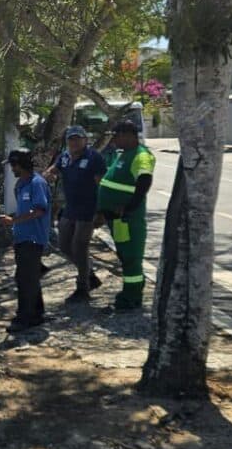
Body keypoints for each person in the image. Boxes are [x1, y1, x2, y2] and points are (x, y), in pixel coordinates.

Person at [96, 121, 155, 310]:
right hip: (117, 220)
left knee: (131, 257)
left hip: (129, 219)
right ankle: (129, 291)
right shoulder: (124, 155)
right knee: (124, 255)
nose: (114, 139)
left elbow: (144, 180)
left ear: (129, 134)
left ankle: (132, 297)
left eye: (116, 135)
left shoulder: (141, 155)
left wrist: (129, 207)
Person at [44, 126, 106, 302]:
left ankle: (82, 288)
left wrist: (100, 212)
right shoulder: (64, 156)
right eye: (71, 139)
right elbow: (52, 171)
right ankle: (89, 275)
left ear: (85, 140)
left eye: (78, 139)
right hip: (70, 208)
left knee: (80, 247)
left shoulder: (94, 158)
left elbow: (102, 185)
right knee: (64, 246)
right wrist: (47, 176)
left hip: (89, 209)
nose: (74, 142)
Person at [1, 150, 51, 333]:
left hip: (33, 238)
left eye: (13, 165)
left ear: (19, 165)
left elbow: (39, 210)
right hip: (22, 238)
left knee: (24, 280)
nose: (12, 169)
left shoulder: (36, 183)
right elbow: (24, 210)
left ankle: (24, 318)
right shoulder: (21, 184)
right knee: (29, 278)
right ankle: (37, 313)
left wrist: (13, 221)